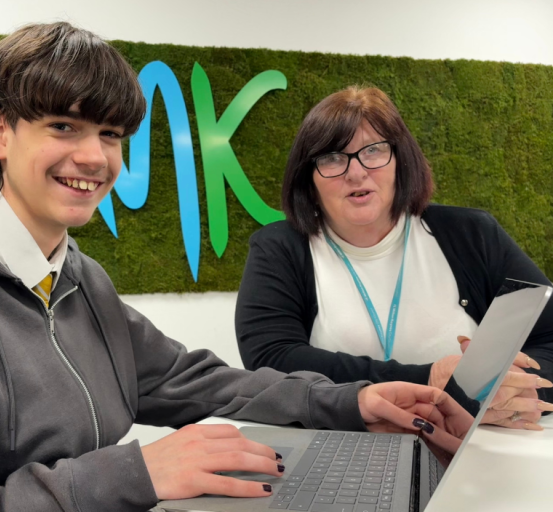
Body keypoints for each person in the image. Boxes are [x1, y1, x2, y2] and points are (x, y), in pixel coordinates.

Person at [0, 26, 471, 512]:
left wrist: (351, 403)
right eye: (64, 127)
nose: (94, 157)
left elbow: (197, 382)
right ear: (0, 132)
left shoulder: (76, 280)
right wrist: (138, 474)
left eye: (110, 135)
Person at [235, 85, 553, 432]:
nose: (356, 173)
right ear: (308, 178)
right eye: (332, 158)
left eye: (373, 151)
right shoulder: (278, 248)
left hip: (471, 447)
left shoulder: (472, 233)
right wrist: (431, 381)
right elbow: (271, 362)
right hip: (342, 450)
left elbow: (548, 334)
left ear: (401, 160)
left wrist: (509, 393)